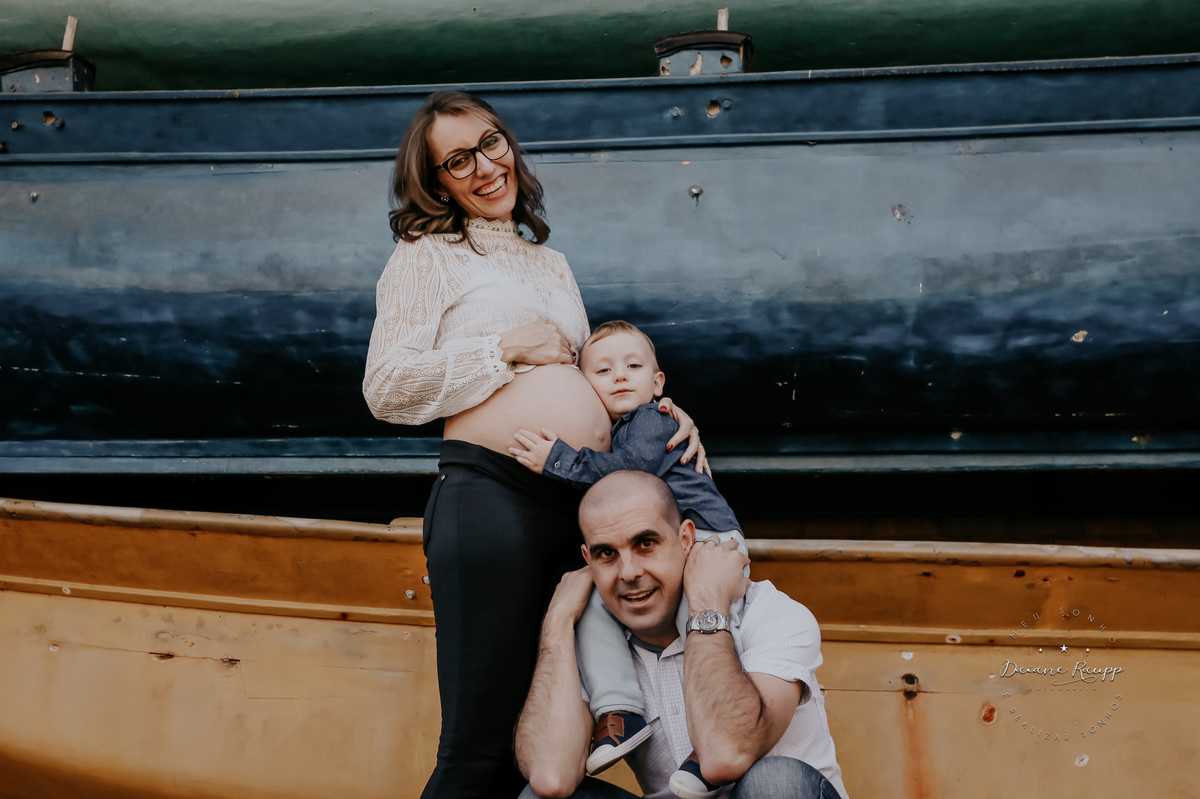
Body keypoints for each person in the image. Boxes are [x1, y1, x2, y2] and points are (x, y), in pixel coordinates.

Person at [362, 91, 707, 799]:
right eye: (458, 161)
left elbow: (591, 378)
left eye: (491, 144)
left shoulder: (552, 266)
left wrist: (661, 411)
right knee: (478, 750)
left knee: (547, 752)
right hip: (493, 497)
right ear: (437, 182)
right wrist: (504, 348)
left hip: (573, 506)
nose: (485, 167)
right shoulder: (426, 255)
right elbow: (387, 386)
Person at [508, 321, 751, 790]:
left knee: (705, 626)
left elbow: (627, 472)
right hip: (662, 547)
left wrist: (556, 459)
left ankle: (709, 741)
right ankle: (621, 711)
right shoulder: (621, 429)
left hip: (707, 540)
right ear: (584, 387)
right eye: (603, 370)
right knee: (597, 609)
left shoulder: (652, 420)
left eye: (633, 366)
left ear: (657, 382)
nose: (619, 375)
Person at [514, 471, 848, 799]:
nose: (628, 572)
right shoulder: (594, 648)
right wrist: (557, 622)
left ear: (686, 539)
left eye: (646, 544)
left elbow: (725, 756)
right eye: (607, 554)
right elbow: (550, 777)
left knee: (774, 781)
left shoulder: (768, 613)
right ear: (588, 561)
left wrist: (707, 601)